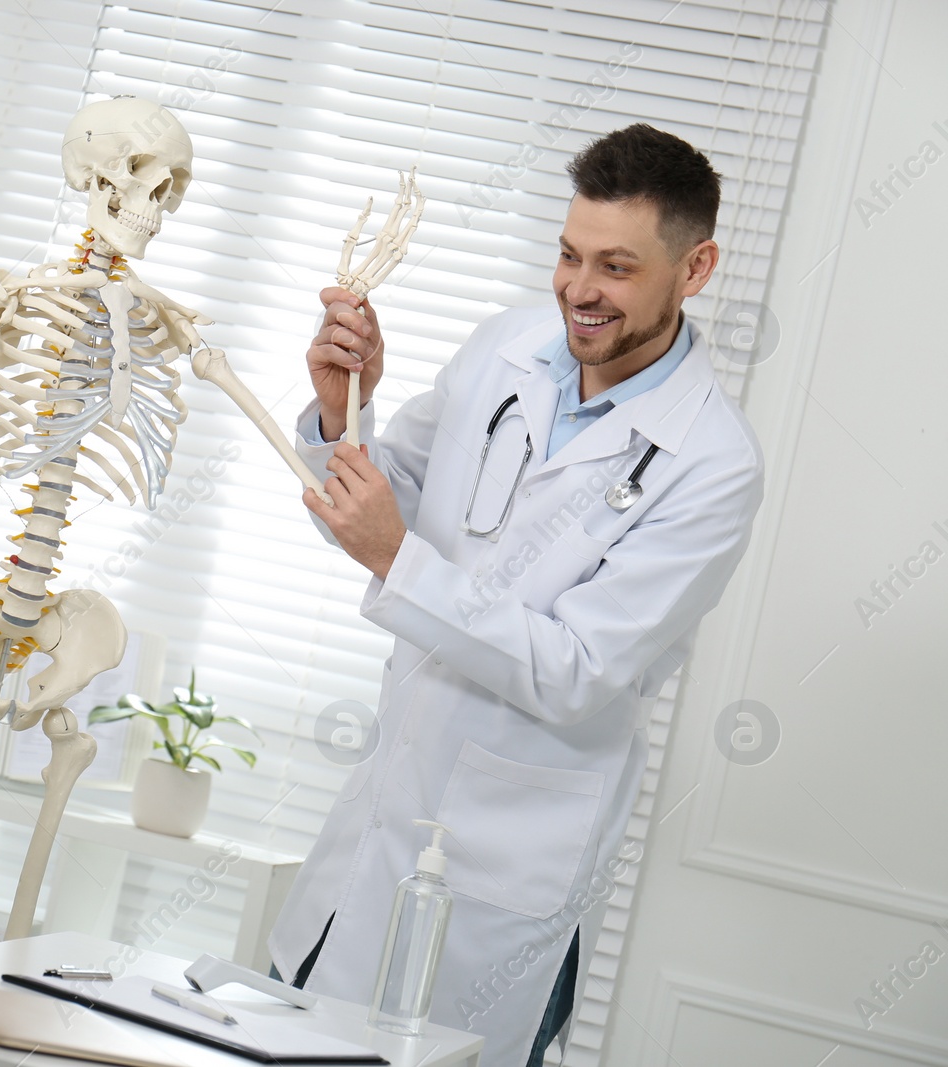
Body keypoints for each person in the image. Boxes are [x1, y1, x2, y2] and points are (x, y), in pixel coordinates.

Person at [269, 124, 766, 1067]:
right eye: (570, 255)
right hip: (373, 830)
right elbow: (385, 504)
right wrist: (344, 410)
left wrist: (398, 560)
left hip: (496, 879)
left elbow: (578, 670)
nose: (581, 289)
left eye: (617, 267)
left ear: (694, 268)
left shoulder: (713, 462)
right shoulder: (506, 346)